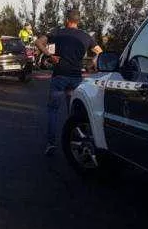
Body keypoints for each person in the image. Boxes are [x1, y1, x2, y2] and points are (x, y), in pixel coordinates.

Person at [35, 9, 103, 155]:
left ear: (67, 20)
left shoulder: (57, 33)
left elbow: (38, 42)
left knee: (53, 110)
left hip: (59, 76)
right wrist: (92, 64)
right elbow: (99, 52)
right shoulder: (86, 37)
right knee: (73, 112)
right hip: (76, 78)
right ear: (78, 21)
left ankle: (51, 143)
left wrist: (49, 56)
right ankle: (75, 141)